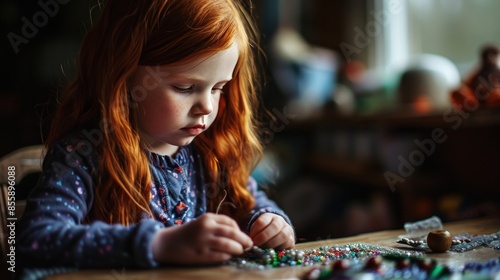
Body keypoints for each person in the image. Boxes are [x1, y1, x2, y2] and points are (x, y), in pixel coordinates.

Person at [18, 0, 295, 269]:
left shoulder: (210, 152)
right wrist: (159, 244)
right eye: (185, 87)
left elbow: (251, 200)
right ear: (122, 77)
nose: (206, 107)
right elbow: (37, 240)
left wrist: (267, 221)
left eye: (218, 87)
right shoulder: (84, 155)